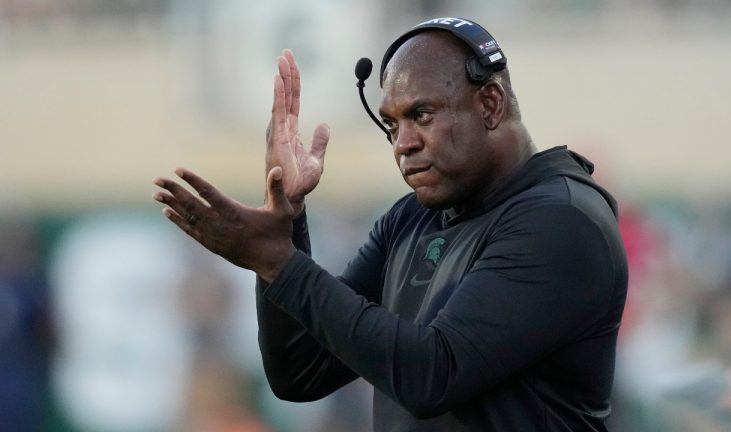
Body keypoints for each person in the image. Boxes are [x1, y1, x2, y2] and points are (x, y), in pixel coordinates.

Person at [153, 17, 628, 432]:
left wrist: (280, 264)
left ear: (489, 105)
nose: (403, 143)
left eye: (421, 115)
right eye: (392, 124)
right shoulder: (412, 217)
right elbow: (300, 373)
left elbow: (433, 376)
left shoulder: (562, 219)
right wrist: (287, 226)